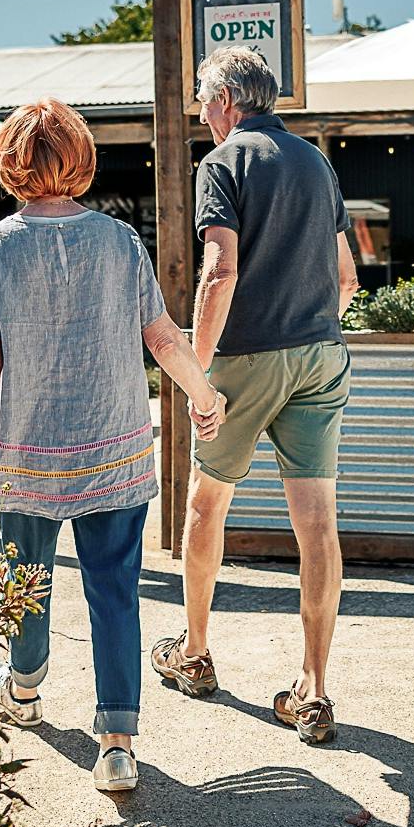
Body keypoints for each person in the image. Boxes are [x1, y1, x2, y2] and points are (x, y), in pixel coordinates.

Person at [0, 96, 226, 793]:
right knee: (114, 592)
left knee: (25, 583)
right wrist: (202, 394)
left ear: (9, 163)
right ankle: (116, 743)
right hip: (115, 446)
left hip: (22, 451)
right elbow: (162, 336)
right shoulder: (118, 241)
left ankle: (25, 684)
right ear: (81, 158)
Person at [151, 46, 359, 745]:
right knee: (318, 524)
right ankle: (314, 690)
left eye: (205, 101)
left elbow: (219, 273)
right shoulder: (315, 161)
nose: (202, 114)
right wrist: (314, 328)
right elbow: (348, 278)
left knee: (205, 503)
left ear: (228, 100)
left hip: (248, 358)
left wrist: (197, 375)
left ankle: (196, 654)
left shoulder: (224, 163)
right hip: (323, 353)